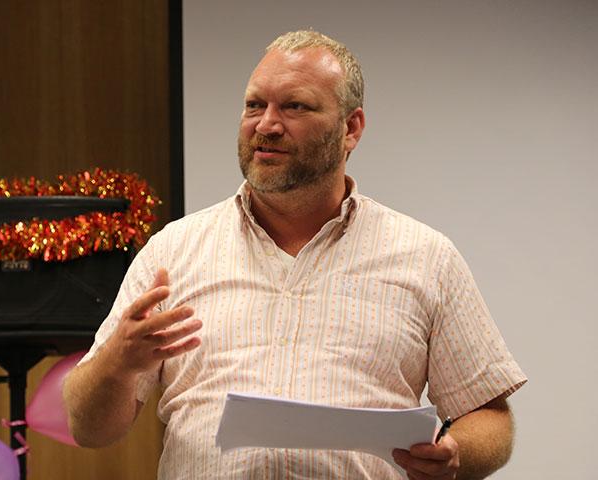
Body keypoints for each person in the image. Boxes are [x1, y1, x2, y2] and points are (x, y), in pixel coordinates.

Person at [63, 30, 526, 480]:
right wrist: (117, 362)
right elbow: (89, 429)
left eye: (294, 106)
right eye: (254, 105)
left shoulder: (425, 256)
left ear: (351, 129)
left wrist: (455, 453)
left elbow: (490, 417)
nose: (266, 125)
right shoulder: (174, 250)